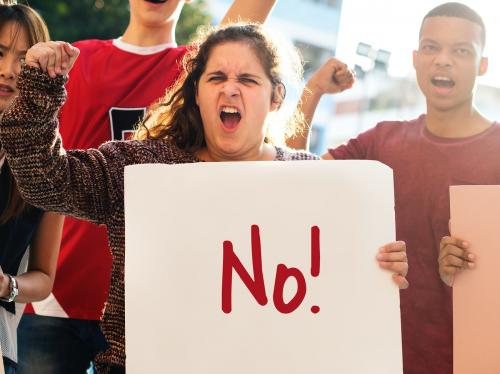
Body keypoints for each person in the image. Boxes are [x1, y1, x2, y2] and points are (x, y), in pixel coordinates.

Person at [0, 23, 409, 373]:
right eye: (216, 78)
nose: (230, 89)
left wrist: (378, 266)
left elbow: (340, 289)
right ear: (196, 93)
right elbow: (47, 183)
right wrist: (39, 91)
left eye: (248, 80)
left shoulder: (312, 181)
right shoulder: (143, 165)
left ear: (275, 97)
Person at [16, 1, 278, 373]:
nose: (228, 86)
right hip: (60, 296)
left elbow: (244, 42)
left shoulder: (202, 68)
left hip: (153, 308)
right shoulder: (76, 58)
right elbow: (46, 168)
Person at [289, 2, 498, 373]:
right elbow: (294, 181)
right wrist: (313, 90)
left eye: (461, 51)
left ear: (483, 64)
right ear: (416, 59)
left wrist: (467, 271)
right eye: (431, 48)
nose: (443, 60)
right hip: (377, 360)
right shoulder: (382, 142)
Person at [0, 3, 64, 373]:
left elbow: (43, 278)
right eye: (0, 53)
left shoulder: (48, 161)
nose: (8, 70)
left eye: (24, 60)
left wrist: (5, 284)